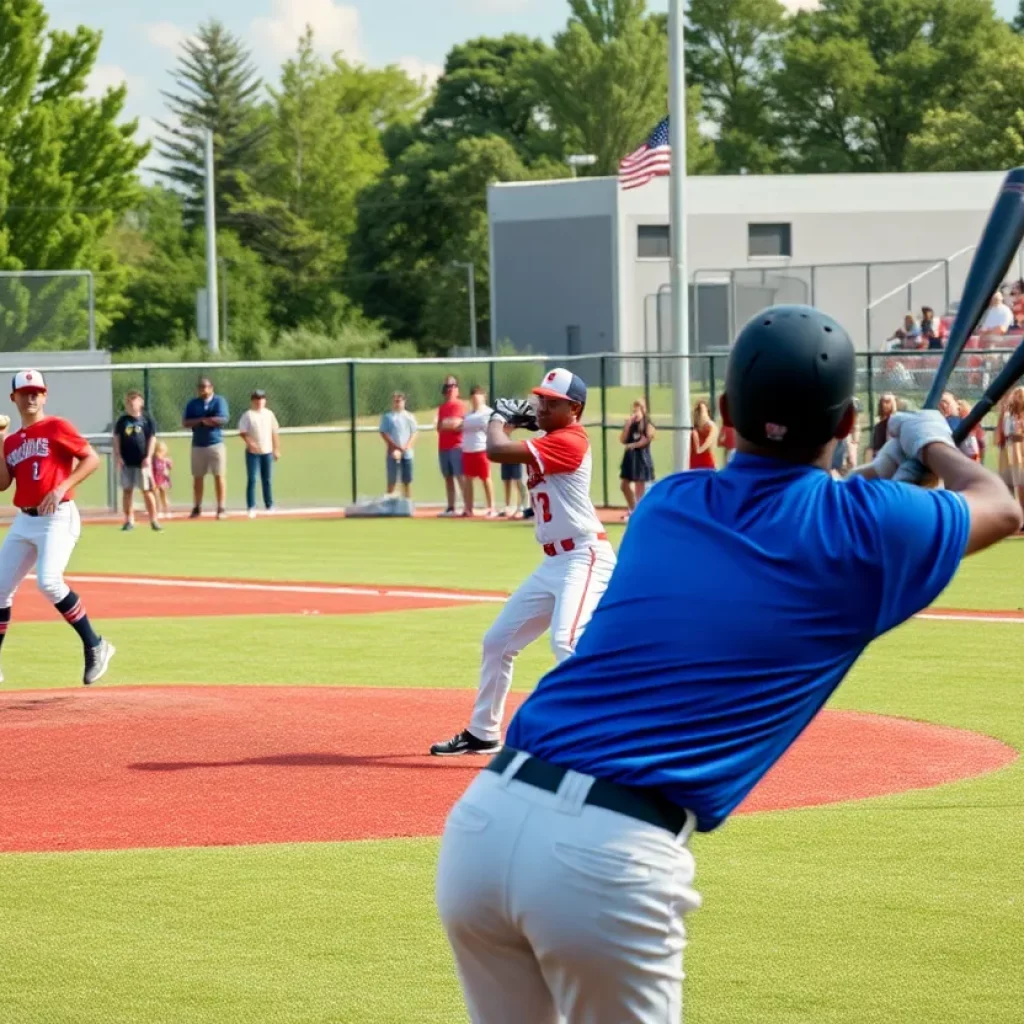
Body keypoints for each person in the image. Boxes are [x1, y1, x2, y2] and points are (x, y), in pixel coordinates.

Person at [435, 305, 1021, 1024]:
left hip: (484, 829)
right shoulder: (865, 532)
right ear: (842, 425)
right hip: (609, 858)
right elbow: (998, 506)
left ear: (728, 413)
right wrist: (932, 445)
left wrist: (880, 474)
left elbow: (795, 511)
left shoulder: (674, 501)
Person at [430, 368, 616, 756]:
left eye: (553, 402)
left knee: (567, 642)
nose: (542, 405)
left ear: (575, 409)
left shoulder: (571, 441)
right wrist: (520, 422)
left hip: (584, 556)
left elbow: (497, 451)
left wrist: (501, 420)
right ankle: (484, 732)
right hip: (554, 563)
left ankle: (601, 738)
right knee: (498, 642)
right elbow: (512, 443)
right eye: (541, 399)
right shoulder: (552, 436)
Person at [0, 370, 118, 686]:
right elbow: (2, 484)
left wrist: (61, 485)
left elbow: (91, 459)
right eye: (25, 392)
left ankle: (96, 644)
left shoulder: (57, 427)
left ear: (45, 395)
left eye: (37, 391)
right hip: (25, 520)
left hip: (58, 516)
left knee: (49, 582)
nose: (31, 396)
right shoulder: (11, 441)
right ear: (14, 398)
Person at [112, 389, 160, 533]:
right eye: (129, 401)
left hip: (142, 462)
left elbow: (152, 438)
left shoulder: (147, 420)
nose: (132, 403)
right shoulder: (122, 421)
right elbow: (116, 439)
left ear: (141, 403)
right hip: (127, 462)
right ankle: (129, 520)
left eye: (135, 400)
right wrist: (118, 456)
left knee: (147, 491)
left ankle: (154, 520)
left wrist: (149, 457)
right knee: (127, 491)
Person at [182, 376, 229, 519]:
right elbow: (186, 422)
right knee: (198, 477)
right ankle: (197, 506)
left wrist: (208, 421)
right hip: (198, 444)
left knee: (219, 475)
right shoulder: (193, 404)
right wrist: (202, 421)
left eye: (206, 387)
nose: (204, 390)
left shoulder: (219, 401)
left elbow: (222, 418)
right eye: (201, 388)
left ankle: (221, 507)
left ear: (211, 388)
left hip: (215, 443)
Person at [238, 389, 280, 518]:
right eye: (256, 399)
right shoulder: (248, 415)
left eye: (261, 398)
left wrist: (276, 449)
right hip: (253, 453)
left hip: (267, 451)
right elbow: (243, 432)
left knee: (267, 479)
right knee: (252, 479)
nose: (259, 401)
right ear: (252, 401)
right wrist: (250, 443)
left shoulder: (269, 414)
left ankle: (269, 505)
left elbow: (274, 432)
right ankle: (251, 506)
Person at [462, 386, 497, 517]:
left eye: (479, 396)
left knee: (486, 478)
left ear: (484, 397)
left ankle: (491, 507)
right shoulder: (467, 415)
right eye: (473, 396)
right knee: (468, 479)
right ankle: (468, 508)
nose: (476, 399)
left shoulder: (489, 413)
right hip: (468, 450)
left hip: (482, 449)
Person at [436, 376, 468, 517]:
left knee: (460, 476)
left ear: (457, 389)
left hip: (456, 446)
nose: (450, 389)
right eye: (448, 387)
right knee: (448, 477)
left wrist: (447, 424)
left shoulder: (459, 405)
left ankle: (467, 506)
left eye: (453, 386)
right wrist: (447, 424)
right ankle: (451, 507)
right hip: (443, 446)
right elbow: (440, 426)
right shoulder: (442, 408)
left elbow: (456, 425)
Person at [619, 399, 655, 516]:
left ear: (643, 410)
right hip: (630, 458)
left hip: (641, 458)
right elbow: (623, 440)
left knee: (640, 487)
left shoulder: (647, 424)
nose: (635, 412)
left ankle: (639, 512)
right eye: (634, 410)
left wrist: (633, 445)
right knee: (624, 485)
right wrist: (627, 425)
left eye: (638, 410)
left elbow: (646, 439)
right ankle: (633, 508)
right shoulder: (631, 424)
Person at [379, 392, 417, 500]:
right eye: (395, 401)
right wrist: (395, 447)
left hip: (407, 453)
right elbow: (383, 433)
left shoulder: (409, 416)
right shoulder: (388, 417)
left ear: (404, 402)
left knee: (407, 481)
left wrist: (407, 446)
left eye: (399, 401)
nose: (397, 403)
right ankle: (388, 503)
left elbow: (414, 432)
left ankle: (407, 502)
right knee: (392, 480)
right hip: (393, 453)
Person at [867, 392, 898, 461]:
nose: (884, 404)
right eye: (882, 402)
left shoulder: (896, 420)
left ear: (893, 403)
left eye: (887, 402)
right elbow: (872, 446)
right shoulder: (877, 422)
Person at [689, 399, 718, 469]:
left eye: (702, 411)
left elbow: (709, 440)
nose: (700, 414)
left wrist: (700, 449)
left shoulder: (711, 426)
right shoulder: (694, 429)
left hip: (707, 462)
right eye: (698, 411)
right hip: (695, 462)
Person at [152, 440, 173, 518]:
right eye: (158, 451)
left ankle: (166, 510)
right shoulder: (154, 460)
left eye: (162, 451)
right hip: (156, 479)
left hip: (163, 480)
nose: (160, 453)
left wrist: (169, 464)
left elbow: (170, 467)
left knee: (163, 494)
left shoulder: (166, 460)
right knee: (156, 495)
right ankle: (158, 510)